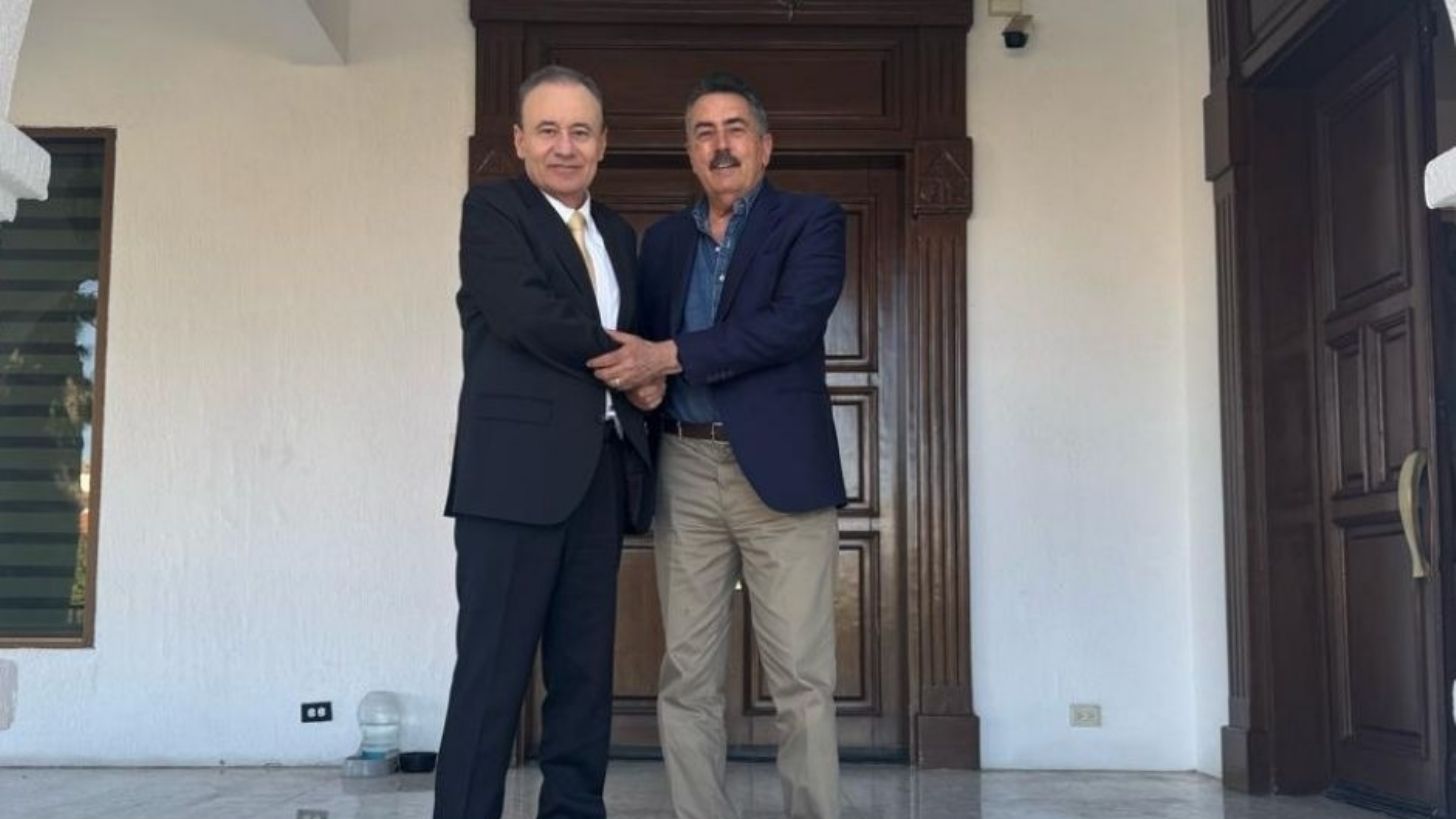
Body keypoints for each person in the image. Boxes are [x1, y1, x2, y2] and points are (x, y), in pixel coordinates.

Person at [587, 72, 847, 819]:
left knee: (801, 677)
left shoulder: (812, 221)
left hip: (783, 475)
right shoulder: (665, 241)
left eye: (735, 129)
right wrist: (642, 384)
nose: (720, 144)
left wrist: (667, 358)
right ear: (690, 152)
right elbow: (643, 341)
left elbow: (789, 326)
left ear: (765, 146)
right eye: (704, 132)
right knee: (688, 675)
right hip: (686, 468)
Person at [434, 64, 657, 819]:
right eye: (549, 130)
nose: (566, 146)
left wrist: (652, 375)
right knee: (491, 675)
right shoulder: (494, 211)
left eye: (581, 131)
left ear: (603, 144)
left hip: (599, 477)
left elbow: (638, 335)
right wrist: (633, 364)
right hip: (510, 483)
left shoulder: (618, 234)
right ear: (520, 140)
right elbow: (524, 315)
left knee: (584, 676)